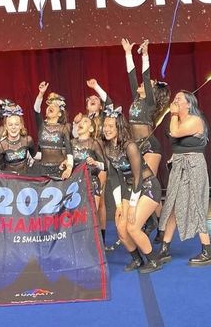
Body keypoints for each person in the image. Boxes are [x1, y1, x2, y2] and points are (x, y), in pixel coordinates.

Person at [156, 91, 211, 267]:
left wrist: (173, 114)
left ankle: (208, 250)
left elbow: (174, 133)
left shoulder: (195, 120)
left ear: (189, 104)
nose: (175, 101)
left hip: (194, 166)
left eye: (179, 99)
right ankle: (165, 248)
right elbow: (177, 141)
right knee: (173, 204)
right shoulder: (179, 120)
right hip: (179, 165)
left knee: (197, 204)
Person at [102, 107, 162, 274]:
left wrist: (133, 206)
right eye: (105, 125)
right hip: (130, 189)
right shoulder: (108, 147)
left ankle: (153, 260)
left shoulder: (130, 146)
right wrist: (119, 206)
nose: (106, 129)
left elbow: (138, 177)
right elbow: (113, 177)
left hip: (147, 186)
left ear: (119, 128)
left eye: (111, 126)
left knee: (133, 227)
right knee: (121, 228)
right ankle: (137, 259)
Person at [122, 38, 171, 239]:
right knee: (138, 183)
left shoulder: (150, 103)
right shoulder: (136, 98)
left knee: (147, 183)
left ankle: (160, 226)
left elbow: (145, 74)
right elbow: (132, 76)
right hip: (136, 146)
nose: (143, 84)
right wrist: (127, 52)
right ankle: (152, 222)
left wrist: (145, 55)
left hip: (150, 147)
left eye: (148, 84)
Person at [72, 78, 112, 243]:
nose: (93, 101)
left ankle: (100, 238)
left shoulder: (104, 118)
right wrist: (76, 124)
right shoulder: (83, 122)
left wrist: (96, 86)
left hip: (100, 161)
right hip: (83, 164)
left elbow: (109, 102)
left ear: (100, 106)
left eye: (96, 100)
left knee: (99, 200)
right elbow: (74, 141)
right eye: (90, 101)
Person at [72, 114, 108, 240]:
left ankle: (96, 244)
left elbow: (105, 166)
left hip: (92, 182)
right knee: (77, 217)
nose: (81, 122)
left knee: (90, 216)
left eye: (85, 121)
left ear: (91, 129)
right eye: (80, 121)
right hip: (75, 183)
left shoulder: (94, 143)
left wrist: (95, 162)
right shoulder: (71, 143)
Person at [33, 82, 73, 179]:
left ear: (59, 114)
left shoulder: (63, 128)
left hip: (59, 169)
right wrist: (41, 94)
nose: (50, 107)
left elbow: (69, 151)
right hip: (42, 169)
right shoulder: (42, 126)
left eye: (54, 106)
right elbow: (36, 110)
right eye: (49, 106)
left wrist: (69, 168)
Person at [0, 104, 37, 174]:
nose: (13, 127)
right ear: (6, 126)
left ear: (21, 125)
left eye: (16, 124)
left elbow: (34, 155)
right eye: (10, 125)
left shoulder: (28, 140)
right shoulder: (1, 146)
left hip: (24, 178)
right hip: (9, 180)